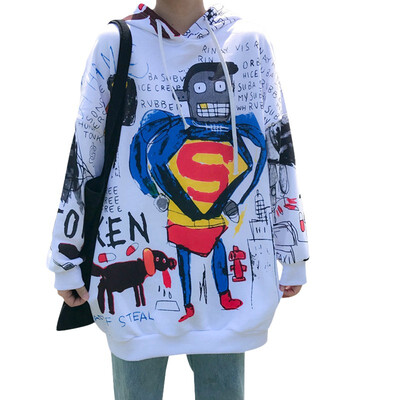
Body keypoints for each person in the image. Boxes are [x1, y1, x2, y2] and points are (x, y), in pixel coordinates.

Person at [48, 0, 309, 398]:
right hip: (136, 308)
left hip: (230, 306)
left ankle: (218, 292)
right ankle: (188, 300)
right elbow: (86, 153)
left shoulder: (248, 43)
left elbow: (278, 146)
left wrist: (294, 251)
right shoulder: (116, 44)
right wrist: (65, 258)